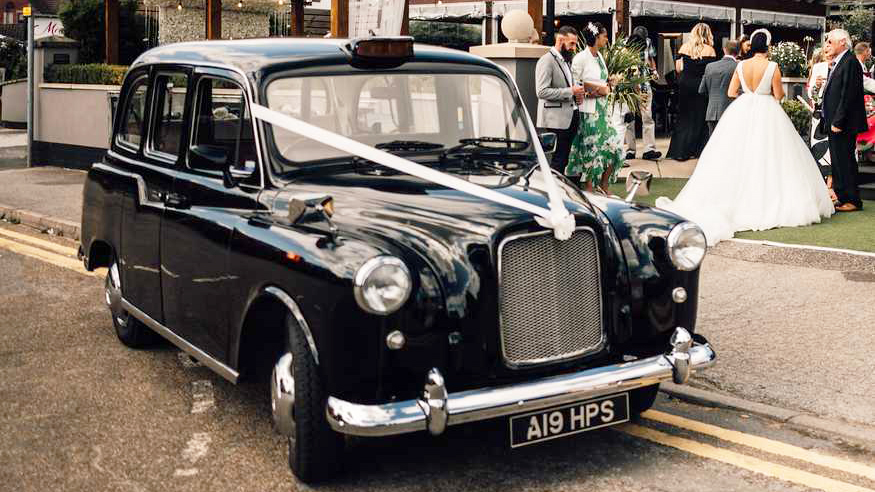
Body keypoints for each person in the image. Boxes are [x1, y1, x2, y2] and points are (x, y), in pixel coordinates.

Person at [655, 29, 834, 246]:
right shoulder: (772, 66)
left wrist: (748, 94)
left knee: (735, 154)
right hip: (768, 111)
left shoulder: (740, 65)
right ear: (767, 47)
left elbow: (731, 92)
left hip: (742, 108)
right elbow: (779, 95)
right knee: (770, 156)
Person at [567, 22, 623, 193]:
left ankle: (603, 185)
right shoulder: (580, 58)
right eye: (605, 36)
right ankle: (591, 189)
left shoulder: (599, 56)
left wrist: (610, 83)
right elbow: (575, 85)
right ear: (596, 37)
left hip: (603, 111)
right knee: (594, 150)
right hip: (588, 113)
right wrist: (598, 91)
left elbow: (601, 82)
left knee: (615, 147)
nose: (607, 39)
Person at [820, 29, 868, 212]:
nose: (827, 45)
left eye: (830, 41)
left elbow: (848, 95)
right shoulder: (840, 62)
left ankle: (853, 200)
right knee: (838, 161)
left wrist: (838, 121)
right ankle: (842, 196)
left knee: (846, 161)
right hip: (835, 121)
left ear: (842, 42)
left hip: (843, 123)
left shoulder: (850, 62)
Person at [535, 26, 587, 174]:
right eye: (572, 43)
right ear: (560, 40)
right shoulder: (546, 61)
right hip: (556, 119)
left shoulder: (566, 60)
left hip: (570, 116)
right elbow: (541, 91)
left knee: (563, 159)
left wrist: (576, 94)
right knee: (558, 160)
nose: (574, 47)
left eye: (575, 44)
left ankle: (558, 190)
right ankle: (554, 193)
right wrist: (570, 91)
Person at [666, 23, 717, 161]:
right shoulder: (710, 50)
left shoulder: (684, 48)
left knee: (684, 116)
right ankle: (698, 150)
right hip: (701, 86)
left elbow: (678, 68)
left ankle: (680, 151)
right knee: (700, 117)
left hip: (686, 85)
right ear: (708, 34)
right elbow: (710, 71)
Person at [625, 26, 662, 161]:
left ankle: (649, 149)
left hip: (644, 83)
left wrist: (654, 71)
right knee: (629, 117)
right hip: (628, 85)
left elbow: (651, 59)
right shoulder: (624, 43)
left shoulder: (648, 42)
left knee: (647, 116)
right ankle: (630, 150)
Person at [699, 40, 739, 137]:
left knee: (713, 144)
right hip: (730, 112)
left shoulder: (710, 66)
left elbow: (701, 90)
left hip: (712, 112)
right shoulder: (738, 66)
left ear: (724, 50)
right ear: (738, 52)